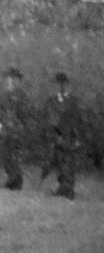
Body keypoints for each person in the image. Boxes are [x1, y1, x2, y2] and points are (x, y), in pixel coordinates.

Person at [0, 66, 33, 191]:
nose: (10, 82)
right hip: (5, 130)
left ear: (18, 82)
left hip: (17, 130)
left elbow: (26, 115)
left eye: (13, 80)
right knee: (5, 154)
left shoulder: (22, 97)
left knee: (14, 155)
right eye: (8, 80)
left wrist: (19, 125)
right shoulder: (4, 96)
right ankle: (10, 179)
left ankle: (16, 181)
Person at [44, 72, 85, 200]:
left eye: (63, 84)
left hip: (69, 135)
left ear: (66, 85)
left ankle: (68, 189)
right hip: (56, 135)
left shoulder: (73, 101)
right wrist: (51, 134)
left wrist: (78, 138)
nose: (60, 87)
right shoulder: (51, 100)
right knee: (59, 161)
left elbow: (79, 120)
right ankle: (62, 186)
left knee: (68, 162)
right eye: (57, 84)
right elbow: (49, 118)